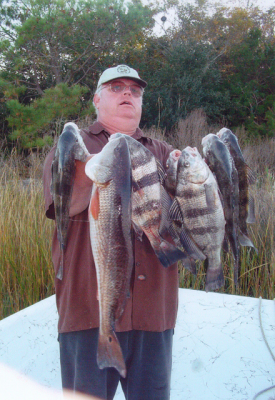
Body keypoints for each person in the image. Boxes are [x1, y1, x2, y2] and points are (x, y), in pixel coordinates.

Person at [43, 65, 178, 400]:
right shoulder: (71, 144)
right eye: (116, 87)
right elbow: (64, 204)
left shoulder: (162, 153)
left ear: (142, 103)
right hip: (88, 312)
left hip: (154, 314)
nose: (127, 94)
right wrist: (99, 170)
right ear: (97, 100)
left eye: (135, 90)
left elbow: (181, 223)